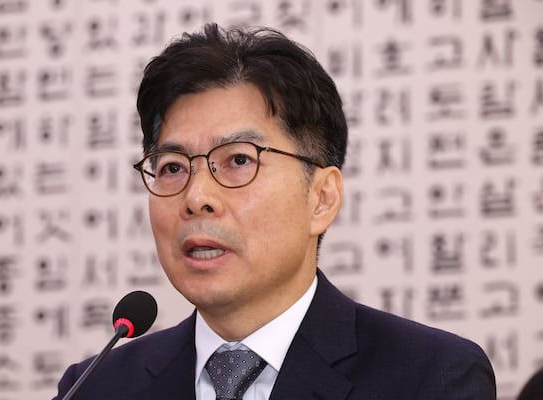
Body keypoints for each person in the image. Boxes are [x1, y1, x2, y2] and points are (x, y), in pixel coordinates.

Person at [53, 23, 496, 400]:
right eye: (172, 167)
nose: (196, 196)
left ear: (321, 198)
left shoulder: (430, 377)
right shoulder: (96, 387)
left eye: (238, 160)